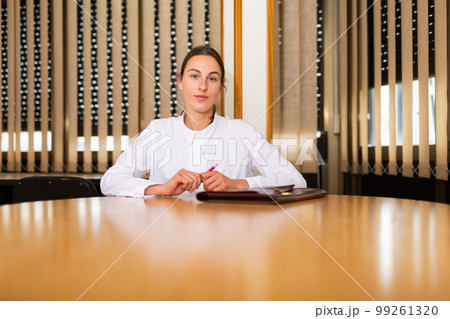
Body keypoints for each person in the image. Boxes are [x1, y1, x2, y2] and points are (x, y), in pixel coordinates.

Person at [101, 46, 306, 197]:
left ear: (221, 86)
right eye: (194, 76)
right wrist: (161, 189)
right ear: (180, 81)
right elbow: (110, 180)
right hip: (168, 237)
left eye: (212, 78)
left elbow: (296, 181)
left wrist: (237, 184)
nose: (202, 86)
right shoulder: (159, 130)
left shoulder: (242, 132)